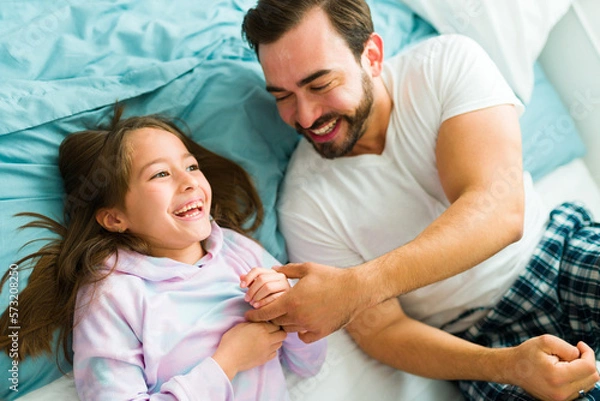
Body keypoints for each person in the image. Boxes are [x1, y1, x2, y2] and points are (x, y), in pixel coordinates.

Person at [241, 0, 600, 400]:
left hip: (558, 254)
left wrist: (356, 286)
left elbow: (498, 210)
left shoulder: (446, 64)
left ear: (372, 56)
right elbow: (383, 331)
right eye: (283, 96)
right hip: (484, 339)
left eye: (320, 85)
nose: (305, 117)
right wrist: (508, 365)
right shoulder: (306, 204)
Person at [0, 109, 326, 400]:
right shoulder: (112, 295)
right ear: (115, 218)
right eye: (160, 174)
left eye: (191, 166)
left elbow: (308, 363)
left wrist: (288, 308)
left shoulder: (237, 249)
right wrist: (227, 362)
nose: (189, 182)